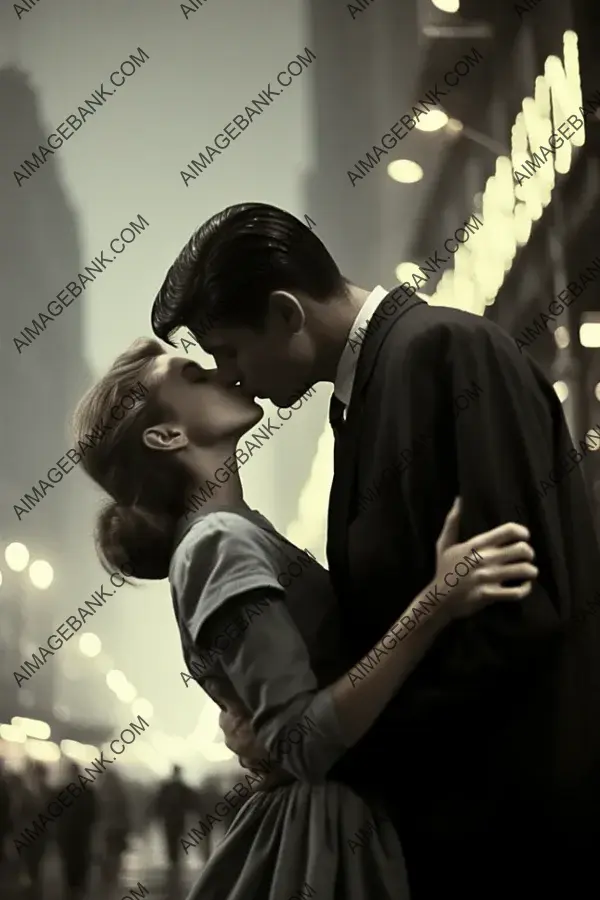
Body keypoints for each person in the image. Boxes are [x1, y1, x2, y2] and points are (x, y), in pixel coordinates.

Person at [149, 202, 600, 897]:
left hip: (512, 831)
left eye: (230, 351)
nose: (232, 377)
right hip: (455, 829)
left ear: (286, 313)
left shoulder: (443, 352)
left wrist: (323, 747)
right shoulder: (368, 392)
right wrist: (283, 716)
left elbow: (517, 611)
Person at [71, 337, 537, 898]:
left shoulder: (233, 532)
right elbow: (302, 739)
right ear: (167, 435)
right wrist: (436, 603)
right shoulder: (217, 542)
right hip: (331, 841)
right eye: (194, 375)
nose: (225, 372)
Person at [56, 762, 98, 900]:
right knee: (74, 862)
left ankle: (75, 888)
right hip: (74, 835)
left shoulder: (70, 792)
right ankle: (74, 887)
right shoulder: (84, 792)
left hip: (78, 834)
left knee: (77, 861)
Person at [151, 764, 196, 870]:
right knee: (176, 839)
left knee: (171, 839)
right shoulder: (182, 788)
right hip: (177, 818)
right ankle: (175, 859)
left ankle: (173, 859)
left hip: (171, 818)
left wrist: (158, 814)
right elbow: (191, 803)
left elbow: (159, 802)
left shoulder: (168, 787)